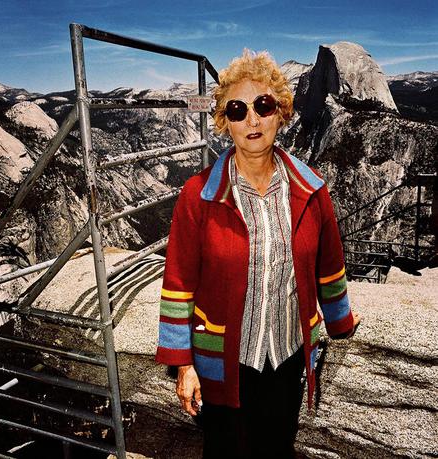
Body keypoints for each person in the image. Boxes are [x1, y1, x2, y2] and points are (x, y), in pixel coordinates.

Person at [156, 49, 361, 458]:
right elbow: (178, 283)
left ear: (281, 113)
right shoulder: (198, 196)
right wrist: (182, 364)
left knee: (276, 450)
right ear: (224, 122)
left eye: (263, 106)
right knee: (224, 450)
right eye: (237, 109)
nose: (252, 119)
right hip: (223, 361)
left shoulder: (311, 190)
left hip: (287, 359)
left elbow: (329, 266)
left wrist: (341, 323)